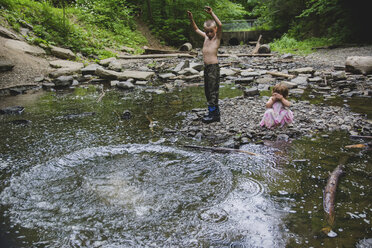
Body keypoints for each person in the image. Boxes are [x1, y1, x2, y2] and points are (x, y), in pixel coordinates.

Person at [187, 6, 222, 123]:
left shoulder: (216, 39)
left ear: (215, 30)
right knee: (207, 90)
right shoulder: (206, 38)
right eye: (207, 31)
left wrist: (212, 13)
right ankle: (213, 111)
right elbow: (196, 29)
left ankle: (214, 115)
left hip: (213, 68)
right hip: (207, 68)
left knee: (213, 91)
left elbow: (220, 25)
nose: (209, 33)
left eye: (211, 31)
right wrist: (191, 19)